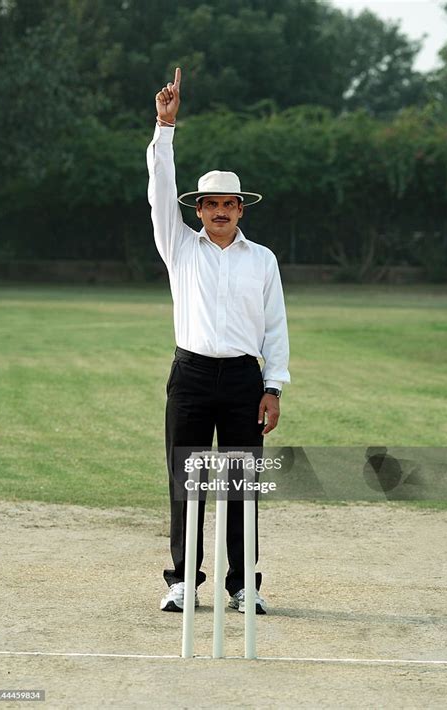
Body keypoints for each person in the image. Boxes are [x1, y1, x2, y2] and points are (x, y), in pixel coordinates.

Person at [147, 67, 290, 614]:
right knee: (186, 481)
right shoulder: (178, 247)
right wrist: (165, 128)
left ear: (240, 209)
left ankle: (241, 584)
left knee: (241, 486)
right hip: (191, 374)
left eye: (230, 203)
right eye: (212, 204)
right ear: (199, 210)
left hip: (243, 379)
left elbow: (275, 325)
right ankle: (183, 579)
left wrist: (273, 386)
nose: (222, 211)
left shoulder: (263, 260)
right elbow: (160, 192)